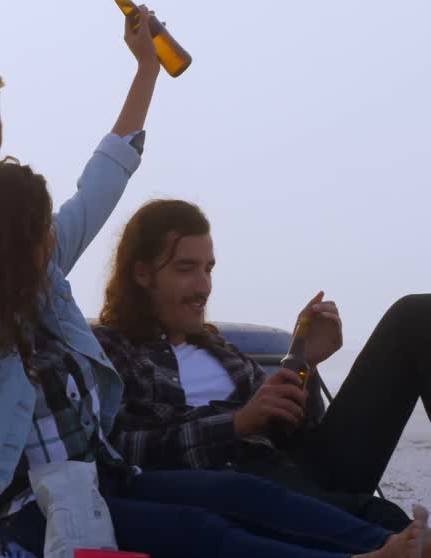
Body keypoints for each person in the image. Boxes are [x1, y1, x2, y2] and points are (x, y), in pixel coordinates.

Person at [0, 9, 428, 558]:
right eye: (42, 229)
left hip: (113, 483)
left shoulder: (46, 288)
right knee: (199, 533)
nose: (56, 236)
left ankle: (410, 554)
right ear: (13, 240)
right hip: (38, 515)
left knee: (250, 499)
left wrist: (146, 69)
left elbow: (103, 180)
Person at [93, 199, 430, 533]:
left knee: (415, 316)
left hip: (296, 473)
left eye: (208, 269)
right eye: (186, 269)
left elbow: (296, 433)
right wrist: (236, 424)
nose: (203, 286)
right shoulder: (109, 349)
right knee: (385, 522)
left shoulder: (222, 350)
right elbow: (118, 448)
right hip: (226, 492)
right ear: (141, 273)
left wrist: (303, 362)